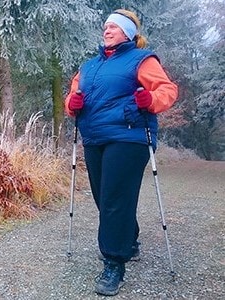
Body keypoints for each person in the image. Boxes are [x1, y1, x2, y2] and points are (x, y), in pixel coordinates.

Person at [64, 9, 178, 296]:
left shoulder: (142, 59)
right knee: (105, 197)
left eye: (113, 26)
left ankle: (114, 262)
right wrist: (72, 104)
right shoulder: (88, 67)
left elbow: (167, 90)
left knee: (115, 198)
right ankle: (129, 240)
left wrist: (150, 99)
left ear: (128, 32)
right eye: (105, 26)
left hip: (129, 136)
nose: (107, 30)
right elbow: (72, 98)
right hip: (95, 137)